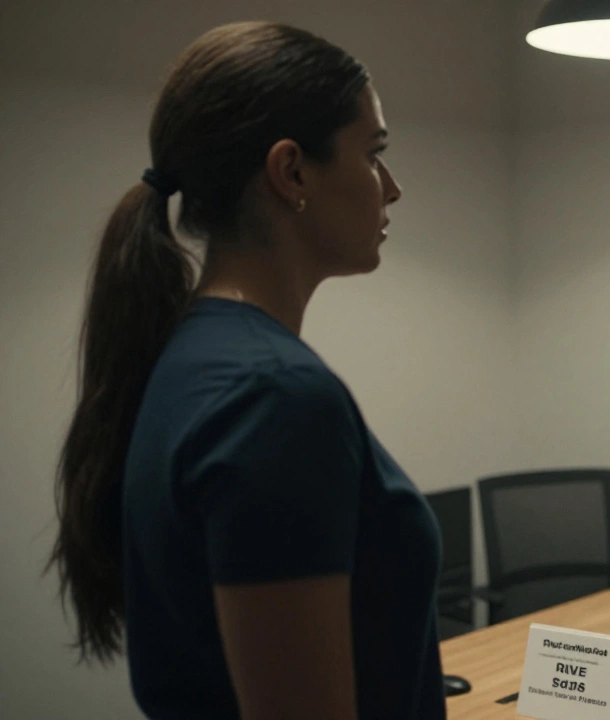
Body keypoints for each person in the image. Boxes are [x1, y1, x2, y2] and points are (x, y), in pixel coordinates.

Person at [48, 21, 446, 719]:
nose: (392, 187)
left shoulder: (192, 357)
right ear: (290, 172)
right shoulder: (272, 396)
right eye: (373, 152)